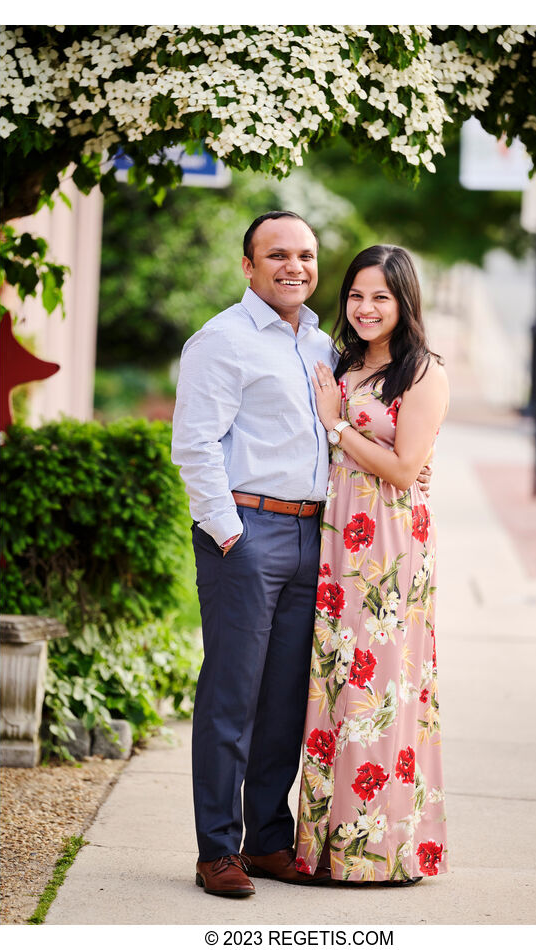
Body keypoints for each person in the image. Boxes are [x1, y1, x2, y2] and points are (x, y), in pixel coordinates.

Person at [171, 214, 432, 898]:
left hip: (316, 537)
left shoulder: (323, 345)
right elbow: (195, 446)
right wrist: (228, 532)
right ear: (248, 264)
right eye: (277, 254)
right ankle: (217, 850)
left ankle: (266, 840)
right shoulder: (221, 340)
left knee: (289, 697)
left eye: (306, 255)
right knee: (233, 694)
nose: (294, 266)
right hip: (249, 532)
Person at [294, 244, 449, 884]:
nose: (364, 308)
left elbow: (404, 468)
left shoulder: (423, 373)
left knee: (378, 688)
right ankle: (324, 846)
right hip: (337, 545)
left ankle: (378, 853)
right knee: (333, 683)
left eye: (380, 297)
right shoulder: (345, 364)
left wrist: (336, 427)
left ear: (404, 301)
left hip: (388, 550)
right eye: (356, 296)